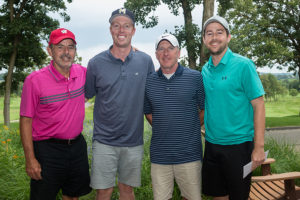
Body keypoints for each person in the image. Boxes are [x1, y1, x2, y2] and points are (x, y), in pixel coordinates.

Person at [85, 8, 155, 200]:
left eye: (126, 25)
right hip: (104, 141)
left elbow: (153, 98)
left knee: (127, 190)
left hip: (133, 141)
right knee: (104, 192)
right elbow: (83, 97)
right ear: (110, 30)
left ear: (133, 30)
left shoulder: (145, 61)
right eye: (116, 25)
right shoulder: (95, 63)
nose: (121, 30)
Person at [20, 28, 91, 200]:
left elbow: (108, 72)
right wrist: (30, 159)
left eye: (71, 47)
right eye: (60, 47)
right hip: (47, 150)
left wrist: (127, 53)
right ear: (50, 50)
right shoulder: (34, 80)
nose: (66, 52)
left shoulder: (83, 73)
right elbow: (25, 121)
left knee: (73, 196)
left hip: (76, 147)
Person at [201, 15, 266, 200]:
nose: (214, 37)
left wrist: (259, 147)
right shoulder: (205, 70)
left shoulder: (243, 65)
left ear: (228, 37)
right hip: (212, 145)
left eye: (219, 32)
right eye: (209, 33)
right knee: (217, 196)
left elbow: (259, 105)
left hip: (239, 147)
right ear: (205, 39)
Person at [144, 33, 205, 200]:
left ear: (179, 52)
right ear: (156, 54)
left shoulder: (195, 77)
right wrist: (165, 126)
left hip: (189, 155)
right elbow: (148, 112)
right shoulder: (149, 81)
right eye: (161, 49)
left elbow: (204, 109)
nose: (166, 53)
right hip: (160, 156)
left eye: (170, 48)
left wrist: (190, 126)